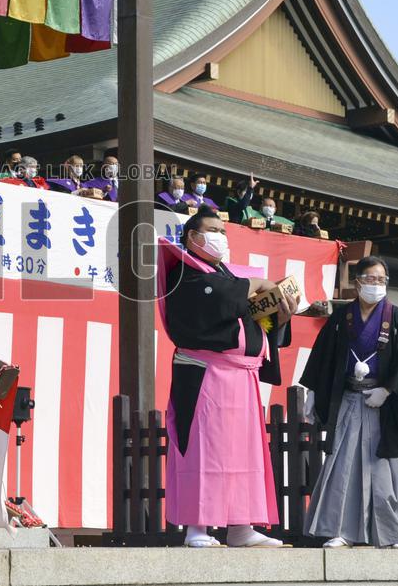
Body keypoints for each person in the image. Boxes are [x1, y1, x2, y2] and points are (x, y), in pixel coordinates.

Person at [156, 206, 297, 548]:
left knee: (242, 454)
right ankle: (197, 528)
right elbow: (218, 299)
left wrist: (278, 310)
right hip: (206, 375)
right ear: (192, 237)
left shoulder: (229, 276)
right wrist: (259, 284)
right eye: (212, 229)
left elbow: (251, 321)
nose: (220, 235)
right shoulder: (184, 274)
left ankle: (241, 526)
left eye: (223, 229)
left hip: (240, 377)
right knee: (205, 451)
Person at [299, 256, 398, 549]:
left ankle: (396, 533)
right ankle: (341, 530)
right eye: (370, 279)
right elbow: (323, 356)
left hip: (383, 405)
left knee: (387, 470)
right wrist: (314, 390)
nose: (375, 285)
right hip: (350, 400)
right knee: (343, 466)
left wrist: (389, 390)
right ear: (357, 283)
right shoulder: (342, 318)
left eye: (381, 280)